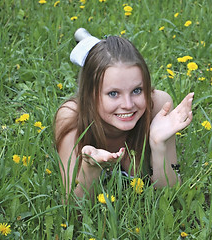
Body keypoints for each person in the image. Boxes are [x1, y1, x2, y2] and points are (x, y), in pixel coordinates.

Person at [54, 28, 194, 199]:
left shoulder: (158, 105)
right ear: (90, 96)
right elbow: (71, 207)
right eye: (113, 93)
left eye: (136, 90)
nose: (128, 105)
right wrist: (90, 170)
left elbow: (171, 194)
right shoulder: (71, 116)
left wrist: (159, 146)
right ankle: (87, 41)